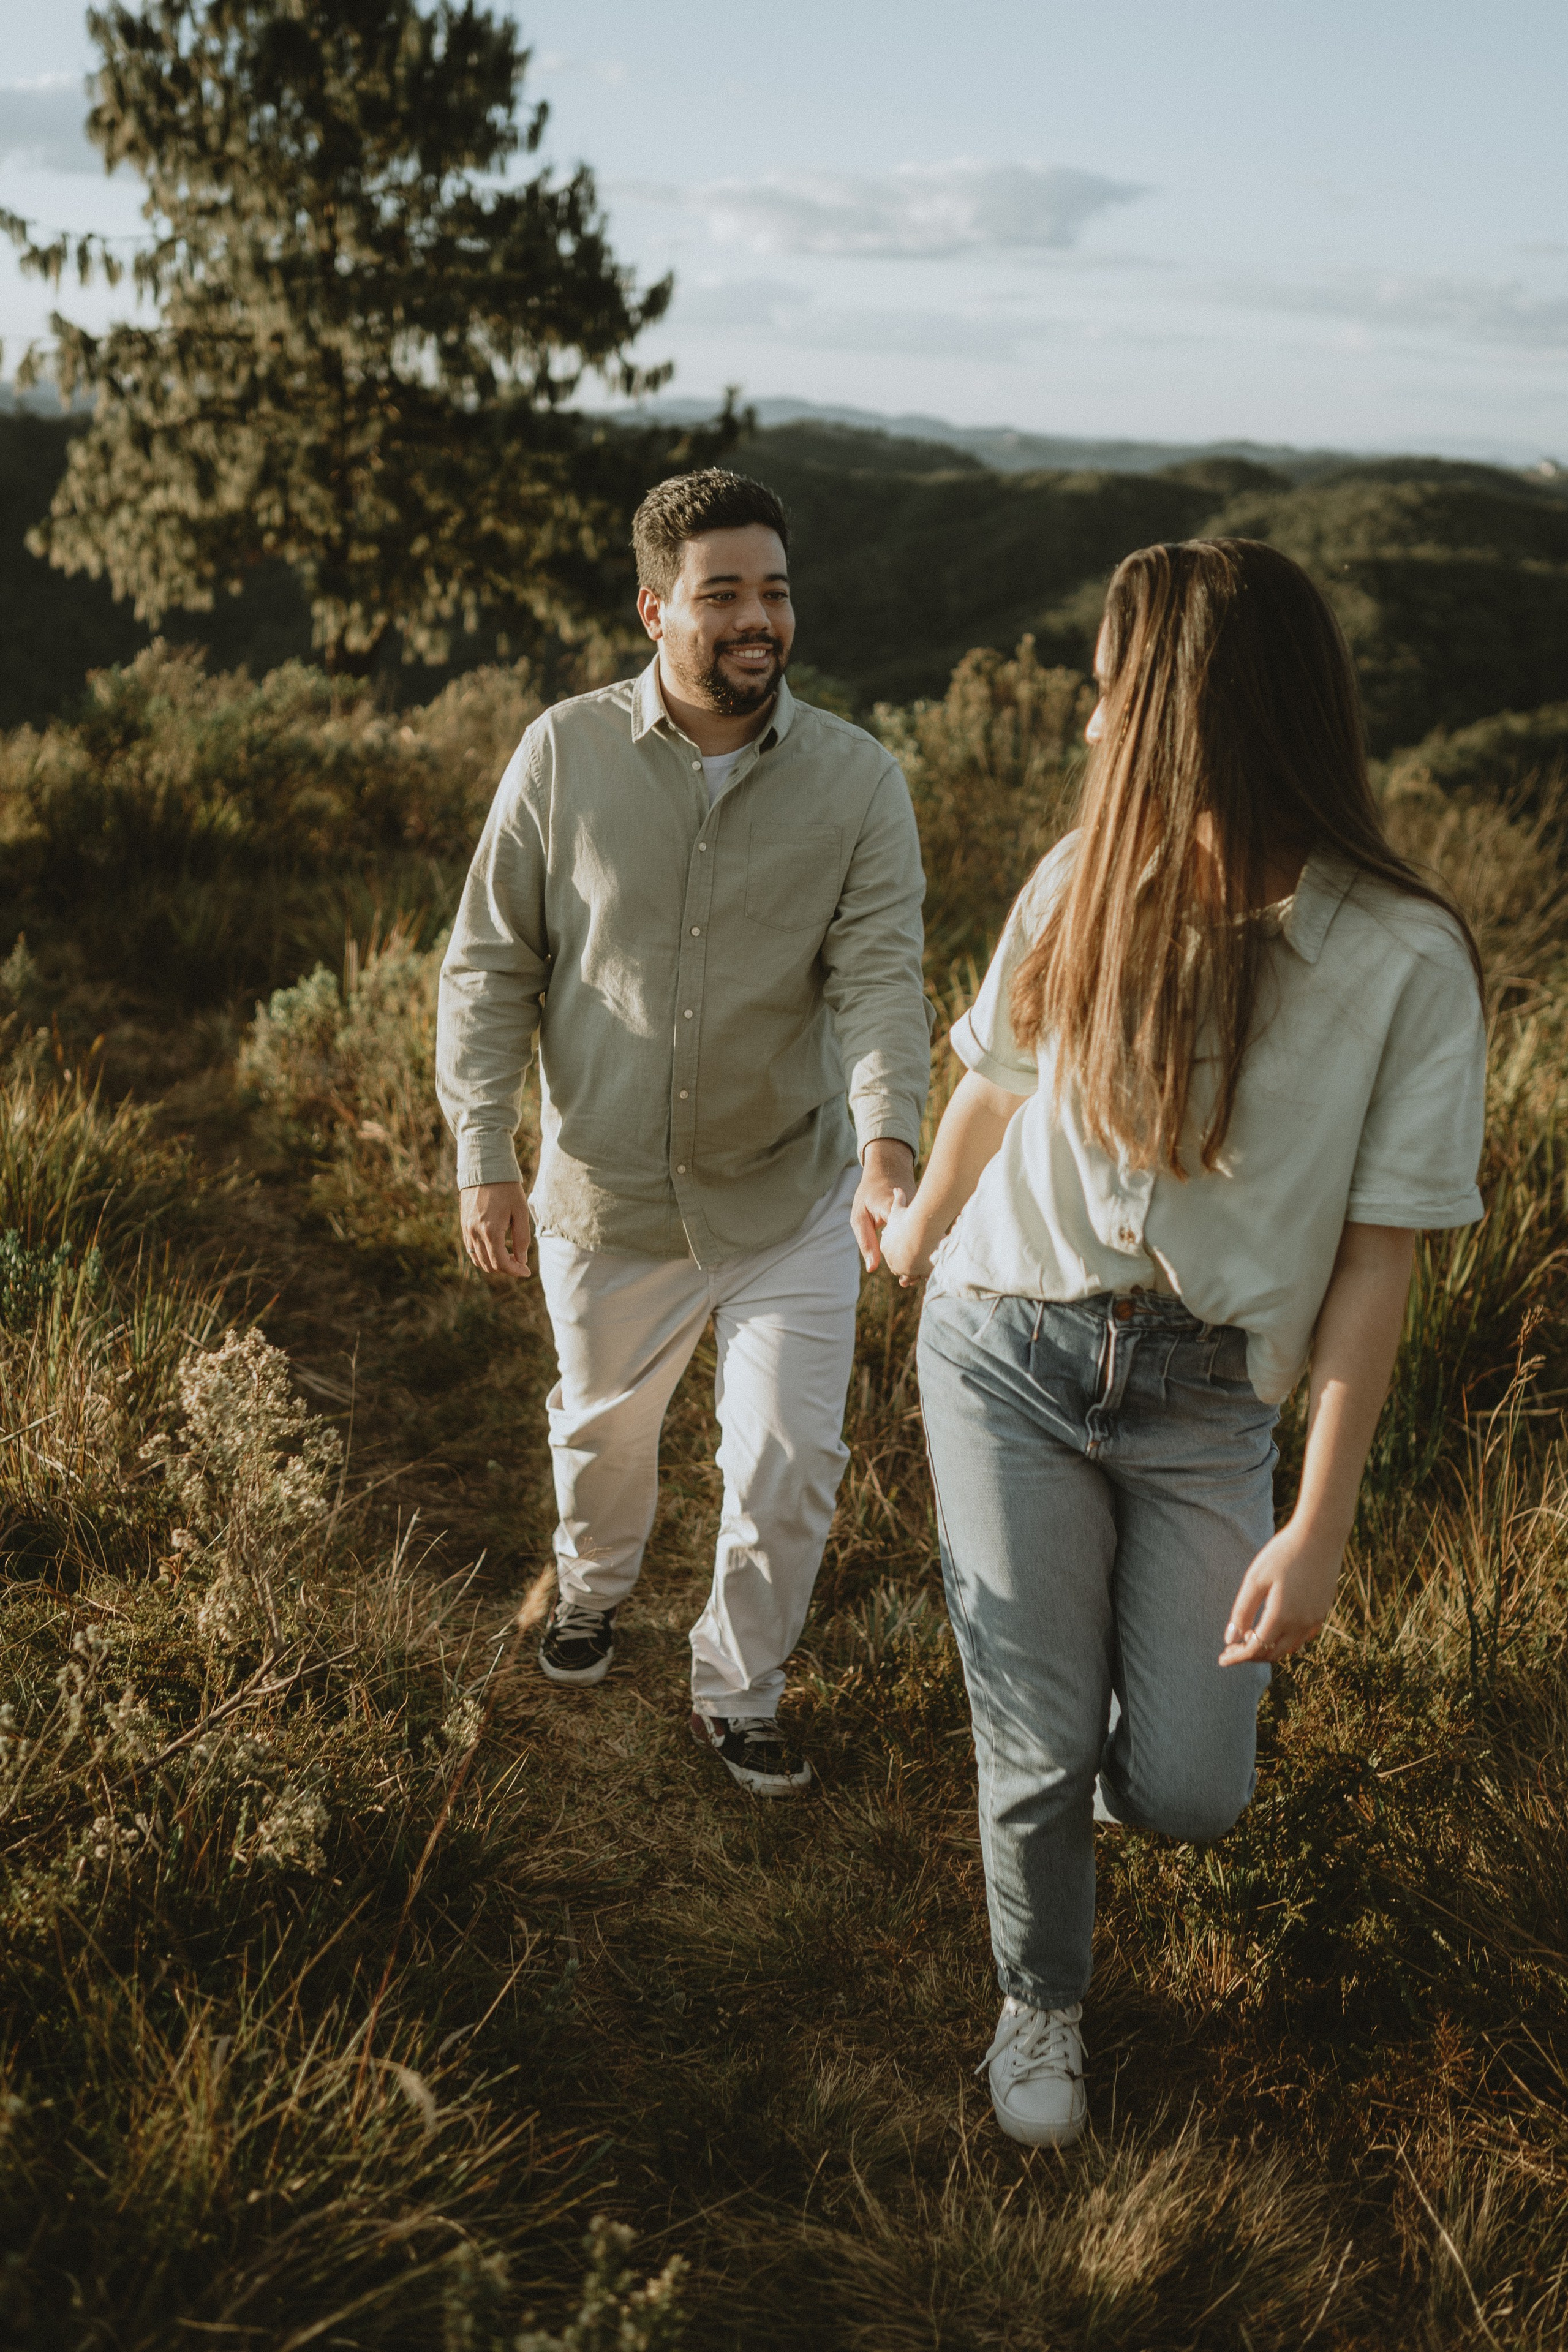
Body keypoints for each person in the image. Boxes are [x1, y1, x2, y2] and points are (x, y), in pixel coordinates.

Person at [878, 538, 1487, 2144]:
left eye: (1106, 701)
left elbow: (1379, 1259)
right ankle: (1043, 2009)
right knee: (1032, 1741)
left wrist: (1324, 1519)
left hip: (1209, 1403)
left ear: (1190, 714)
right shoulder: (1082, 881)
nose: (1088, 734)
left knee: (1196, 1788)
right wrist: (924, 1232)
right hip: (1007, 1347)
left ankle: (1081, 1772)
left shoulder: (1404, 960)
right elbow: (997, 1079)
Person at [436, 468, 931, 1796]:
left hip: (792, 1194)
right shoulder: (562, 753)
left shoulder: (857, 781)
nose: (755, 618)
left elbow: (882, 979)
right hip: (606, 1198)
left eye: (773, 590)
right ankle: (592, 1584)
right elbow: (490, 967)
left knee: (789, 1459)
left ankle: (738, 1687)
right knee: (601, 1441)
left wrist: (890, 1141)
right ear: (655, 609)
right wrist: (486, 1150)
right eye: (722, 595)